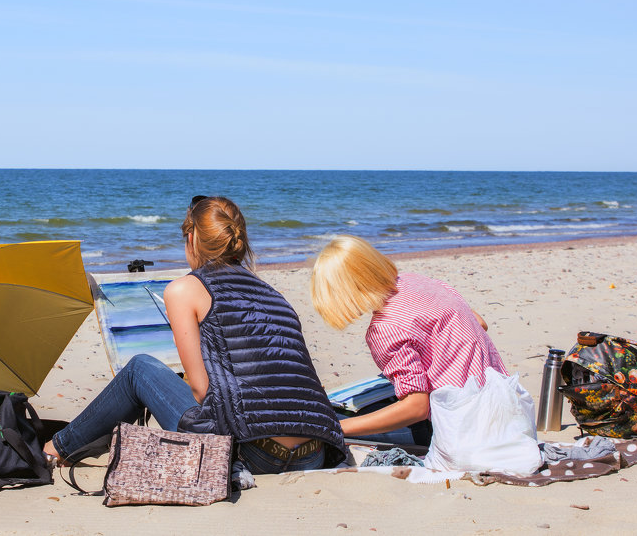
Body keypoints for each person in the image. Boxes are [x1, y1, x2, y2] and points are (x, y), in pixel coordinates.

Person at [45, 196, 349, 474]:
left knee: (140, 369)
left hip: (256, 455)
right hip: (313, 453)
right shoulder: (276, 297)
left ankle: (56, 449)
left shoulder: (184, 289)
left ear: (191, 238)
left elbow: (202, 391)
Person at [309, 235, 540, 473]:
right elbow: (479, 323)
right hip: (508, 411)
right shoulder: (417, 282)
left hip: (465, 431)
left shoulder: (384, 328)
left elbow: (417, 408)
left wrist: (339, 427)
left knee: (340, 416)